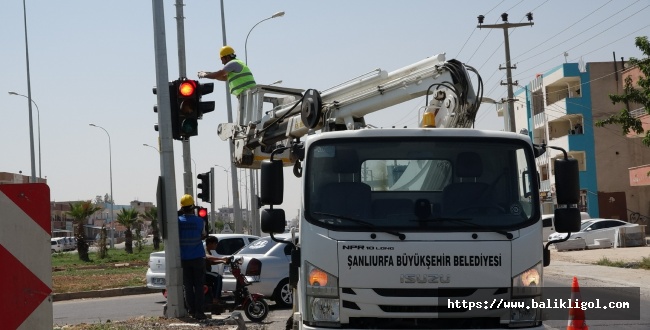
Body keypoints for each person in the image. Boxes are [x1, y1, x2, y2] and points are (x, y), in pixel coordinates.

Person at [197, 45, 257, 124]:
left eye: (222, 59)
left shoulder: (233, 63)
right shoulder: (237, 64)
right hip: (246, 94)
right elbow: (222, 77)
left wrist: (204, 75)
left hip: (247, 93)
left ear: (227, 57)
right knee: (245, 119)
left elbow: (217, 75)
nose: (222, 62)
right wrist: (208, 73)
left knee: (246, 120)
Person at [178, 194, 208, 320]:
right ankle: (199, 313)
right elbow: (203, 235)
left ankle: (191, 310)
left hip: (184, 259)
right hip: (197, 258)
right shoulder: (199, 221)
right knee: (199, 286)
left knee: (188, 287)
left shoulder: (177, 222)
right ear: (192, 207)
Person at [204, 236, 228, 302]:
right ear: (210, 244)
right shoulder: (205, 250)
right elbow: (208, 257)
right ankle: (215, 299)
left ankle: (214, 297)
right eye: (215, 243)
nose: (216, 245)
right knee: (218, 277)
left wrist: (223, 261)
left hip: (207, 272)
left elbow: (211, 262)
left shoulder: (209, 251)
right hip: (203, 272)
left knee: (217, 276)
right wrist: (222, 259)